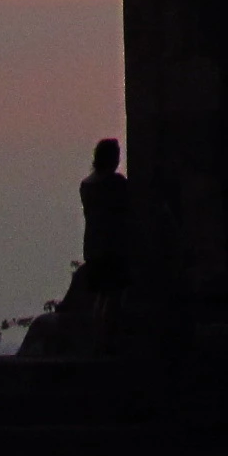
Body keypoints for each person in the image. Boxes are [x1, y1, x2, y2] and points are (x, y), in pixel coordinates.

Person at [79, 138, 133, 332]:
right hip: (113, 247)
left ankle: (98, 334)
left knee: (100, 295)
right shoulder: (115, 183)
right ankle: (106, 335)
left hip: (93, 246)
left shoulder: (87, 185)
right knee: (113, 295)